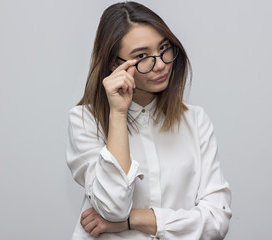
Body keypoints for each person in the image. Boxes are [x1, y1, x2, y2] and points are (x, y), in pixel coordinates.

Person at [66, 1, 231, 239]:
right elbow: (113, 206)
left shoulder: (195, 121)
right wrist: (118, 114)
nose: (161, 64)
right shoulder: (85, 121)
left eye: (164, 48)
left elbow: (216, 220)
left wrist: (132, 220)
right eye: (142, 56)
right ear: (115, 64)